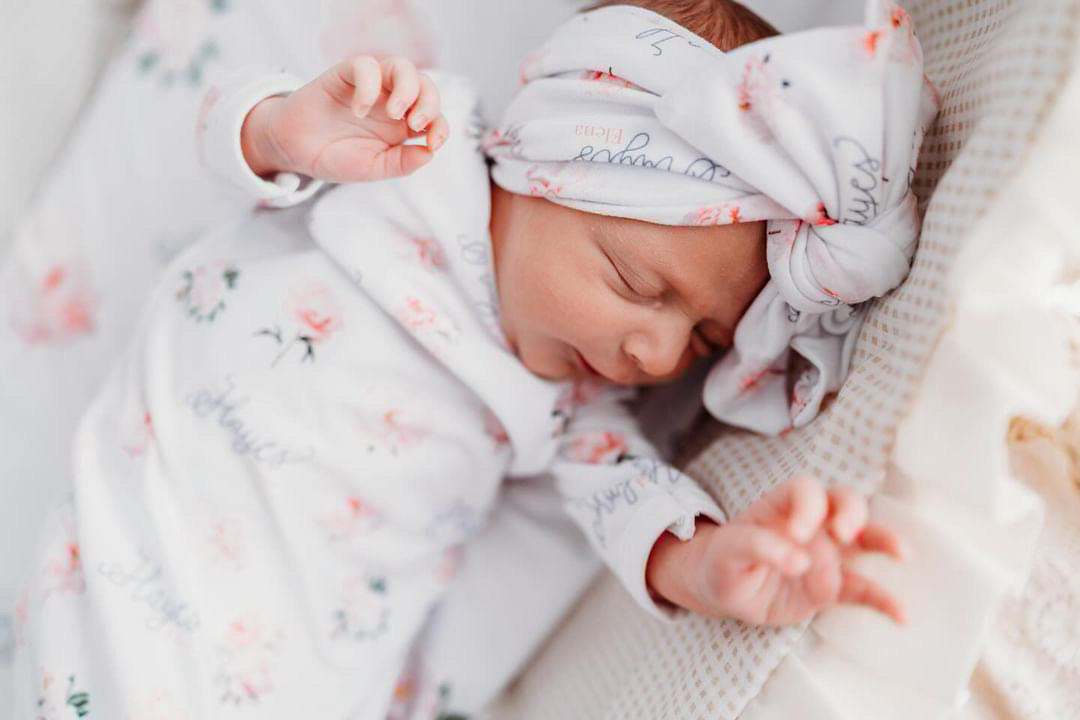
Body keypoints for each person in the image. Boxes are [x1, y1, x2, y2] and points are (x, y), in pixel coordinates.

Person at [14, 1, 934, 717]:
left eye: (703, 342)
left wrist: (707, 564)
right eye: (635, 282)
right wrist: (282, 128)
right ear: (542, 167)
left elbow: (628, 503)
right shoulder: (410, 149)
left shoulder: (574, 405)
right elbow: (230, 132)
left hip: (302, 651)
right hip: (153, 525)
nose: (654, 350)